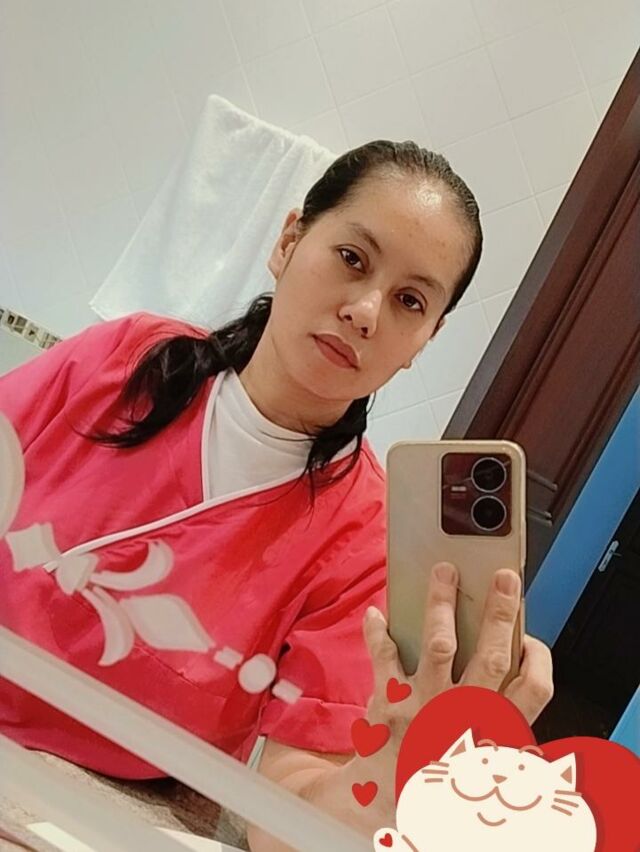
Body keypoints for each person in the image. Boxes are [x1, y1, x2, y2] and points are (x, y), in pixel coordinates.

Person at [0, 140, 553, 849]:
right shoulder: (129, 358)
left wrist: (400, 765)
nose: (366, 311)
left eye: (409, 301)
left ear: (424, 339)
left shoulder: (364, 542)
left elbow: (285, 812)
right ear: (290, 240)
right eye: (352, 258)